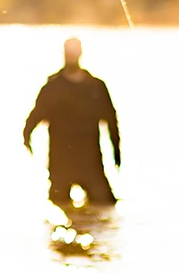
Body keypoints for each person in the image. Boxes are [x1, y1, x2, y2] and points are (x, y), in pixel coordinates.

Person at [23, 37, 120, 207]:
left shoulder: (96, 87)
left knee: (106, 207)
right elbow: (34, 117)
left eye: (74, 52)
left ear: (81, 54)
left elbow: (111, 121)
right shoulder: (53, 87)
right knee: (57, 208)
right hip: (60, 163)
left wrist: (116, 153)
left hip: (91, 162)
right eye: (69, 52)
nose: (72, 56)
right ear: (64, 54)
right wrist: (27, 138)